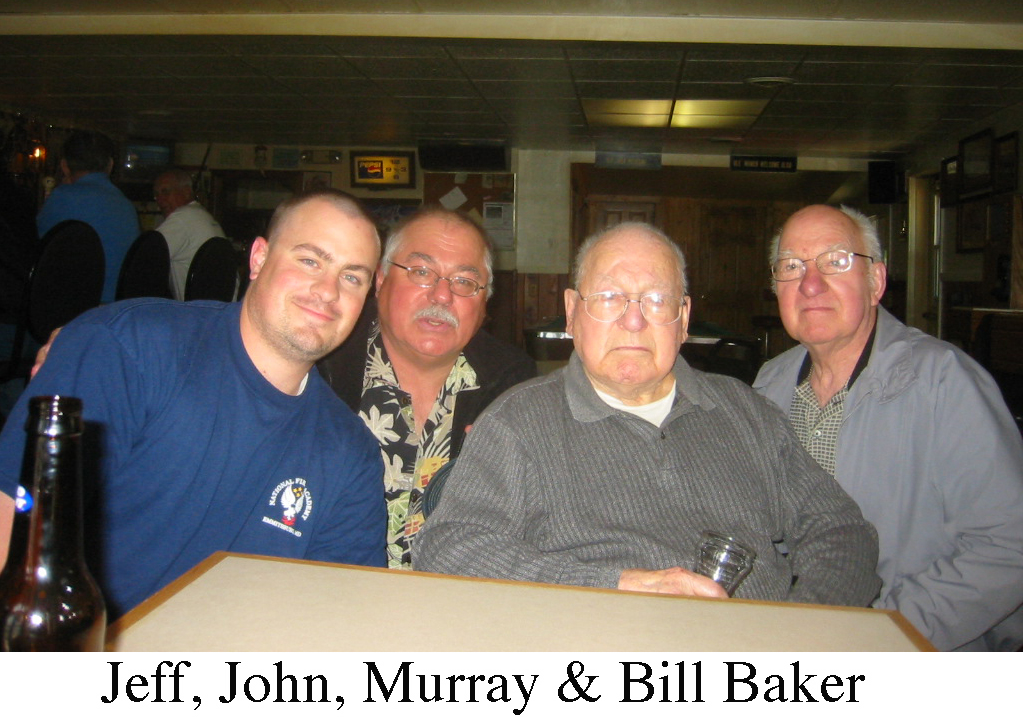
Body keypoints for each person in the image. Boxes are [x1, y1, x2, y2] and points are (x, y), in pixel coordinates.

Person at [414, 222, 880, 606]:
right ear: (572, 313)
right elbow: (448, 549)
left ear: (683, 318)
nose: (633, 321)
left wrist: (802, 631)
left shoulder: (744, 410)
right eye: (610, 298)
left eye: (656, 300)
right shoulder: (519, 423)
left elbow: (840, 530)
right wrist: (616, 585)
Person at [0, 189, 387, 619]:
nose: (327, 290)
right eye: (310, 260)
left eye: (352, 276)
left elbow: (339, 613)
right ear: (258, 259)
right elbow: (12, 525)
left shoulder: (352, 452)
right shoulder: (129, 349)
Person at [753, 204, 1023, 651]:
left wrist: (879, 636)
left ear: (875, 282)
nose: (811, 283)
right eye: (792, 266)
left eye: (835, 261)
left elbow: (1007, 547)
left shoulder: (944, 381)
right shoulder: (768, 385)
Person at [318, 208, 536, 569]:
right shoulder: (320, 370)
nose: (442, 296)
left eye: (464, 282)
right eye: (421, 273)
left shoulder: (514, 388)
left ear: (485, 302)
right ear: (382, 279)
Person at [36, 130, 139, 303]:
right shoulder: (126, 204)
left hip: (75, 310)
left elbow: (36, 251)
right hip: (119, 307)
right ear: (110, 165)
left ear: (64, 166)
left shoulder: (61, 198)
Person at [153, 168, 227, 300]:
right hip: (219, 309)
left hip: (200, 312)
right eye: (156, 195)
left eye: (165, 192)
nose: (160, 200)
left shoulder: (182, 218)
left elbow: (145, 259)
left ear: (186, 192)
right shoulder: (201, 215)